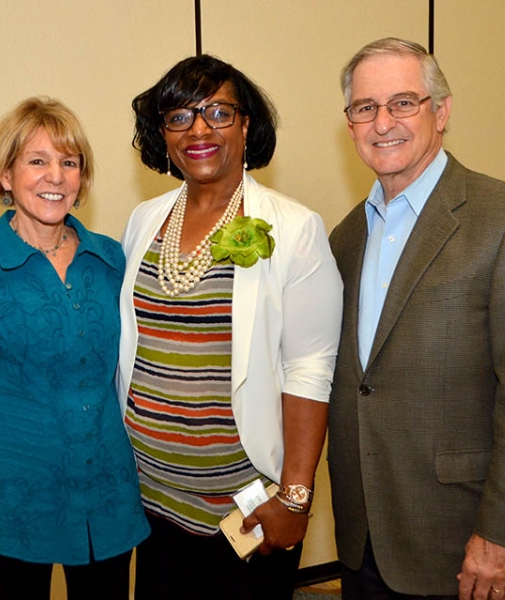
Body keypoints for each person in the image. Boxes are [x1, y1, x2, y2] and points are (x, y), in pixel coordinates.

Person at [329, 37, 505, 600]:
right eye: (365, 107)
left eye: (403, 103)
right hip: (364, 539)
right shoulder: (345, 238)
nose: (382, 122)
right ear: (350, 124)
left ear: (441, 112)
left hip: (466, 539)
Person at [119, 55, 343, 600]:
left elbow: (310, 370)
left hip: (246, 511)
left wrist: (295, 498)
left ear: (246, 124)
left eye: (218, 112)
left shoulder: (293, 228)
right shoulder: (145, 220)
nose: (198, 129)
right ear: (162, 133)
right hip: (150, 502)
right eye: (179, 116)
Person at [0, 97, 149, 600]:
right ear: (6, 175)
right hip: (10, 504)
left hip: (106, 498)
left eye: (69, 162)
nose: (56, 176)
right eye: (37, 160)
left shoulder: (111, 259)